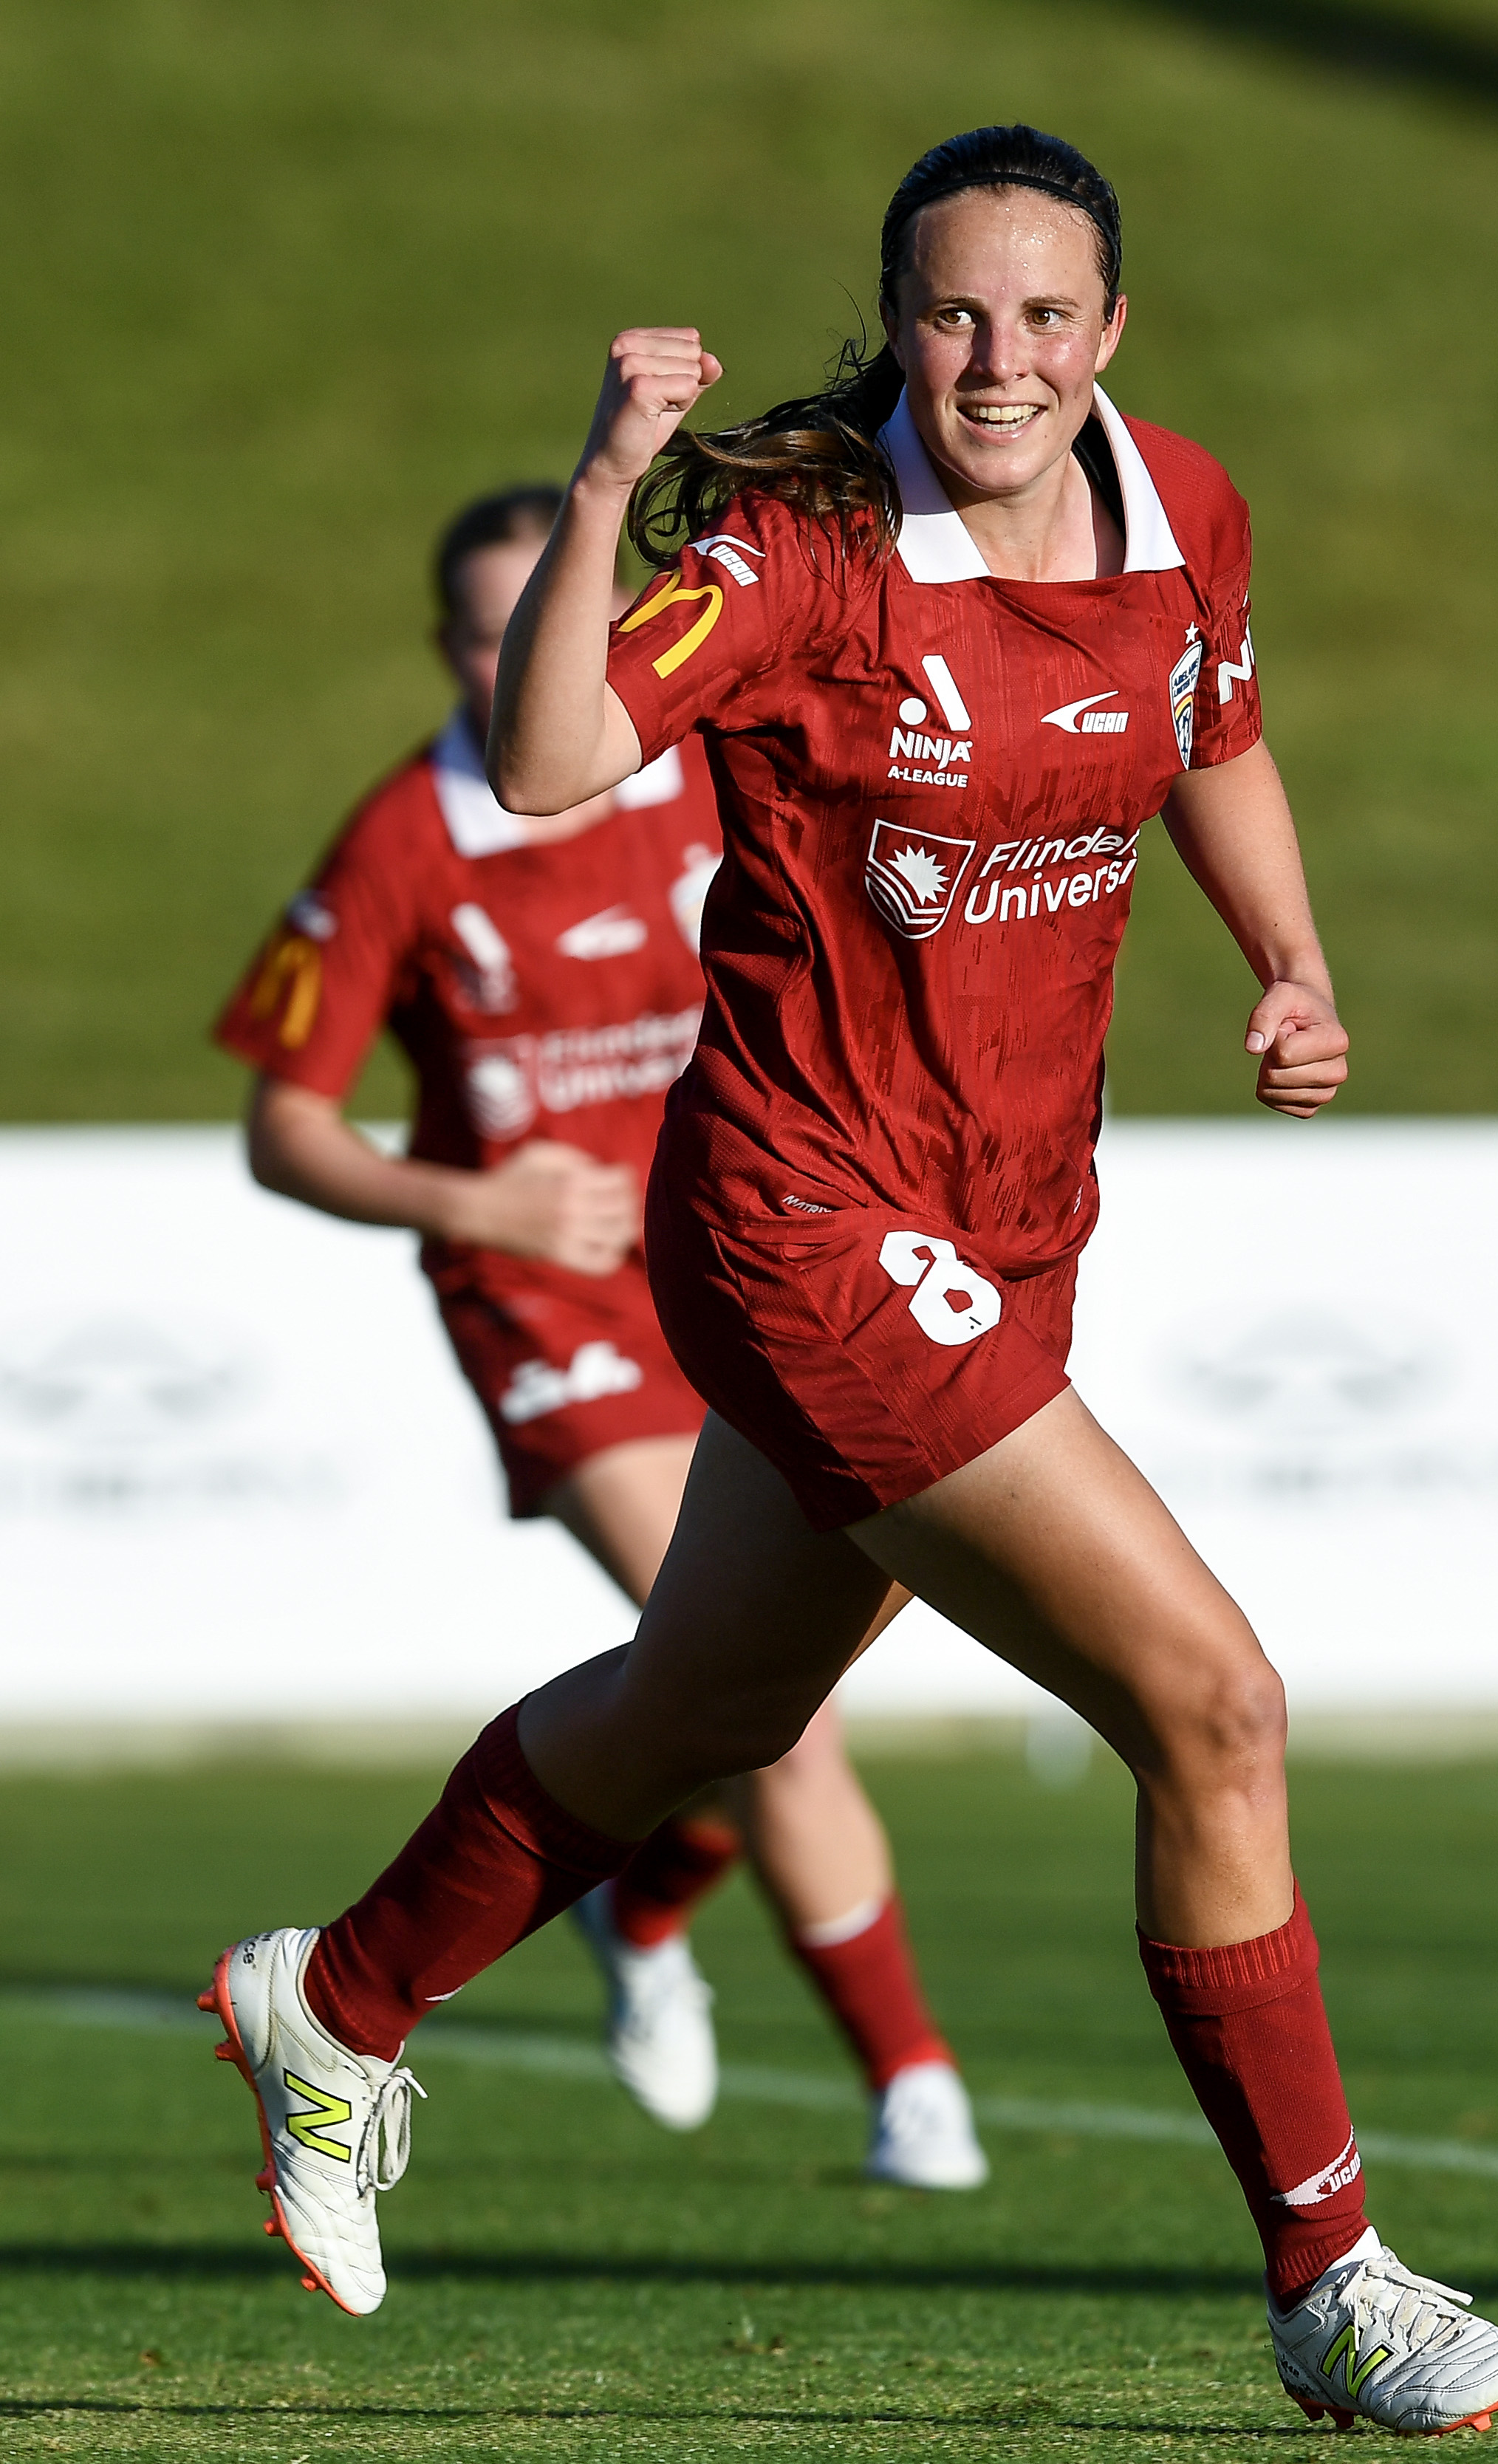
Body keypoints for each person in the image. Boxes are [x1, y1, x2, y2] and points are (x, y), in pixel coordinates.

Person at [201, 126, 1498, 2434]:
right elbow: (546, 756)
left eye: (1045, 316)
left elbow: (1216, 734)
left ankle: (335, 2000)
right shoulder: (807, 556)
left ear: (1111, 330)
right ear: (900, 323)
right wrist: (608, 479)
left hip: (1008, 1227)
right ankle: (1333, 2280)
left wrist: (1296, 962)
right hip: (802, 1221)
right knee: (1215, 1707)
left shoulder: (1184, 510)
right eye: (954, 314)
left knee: (701, 1709)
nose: (999, 360)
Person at [209, 483, 988, 2194]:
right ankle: (912, 2083)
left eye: (547, 624)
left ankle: (640, 1897)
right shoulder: (404, 840)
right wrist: (474, 1204)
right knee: (764, 1699)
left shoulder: (704, 754)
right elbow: (285, 1129)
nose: (521, 663)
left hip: (752, 1265)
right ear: (444, 650)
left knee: (750, 1678)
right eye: (488, 637)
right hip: (551, 1312)